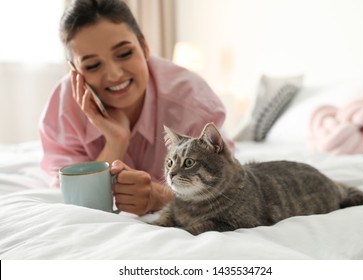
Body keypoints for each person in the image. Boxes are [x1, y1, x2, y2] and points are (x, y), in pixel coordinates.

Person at [39, 0, 231, 216]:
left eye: (124, 54)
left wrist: (161, 197)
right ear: (74, 71)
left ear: (144, 46)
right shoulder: (64, 109)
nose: (114, 75)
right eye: (92, 65)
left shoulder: (193, 103)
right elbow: (71, 199)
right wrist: (115, 141)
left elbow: (228, 192)